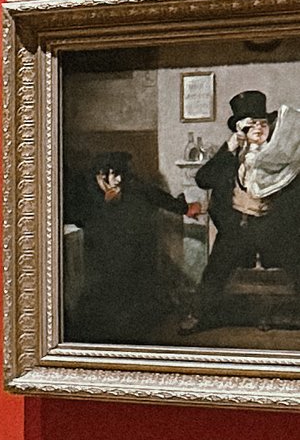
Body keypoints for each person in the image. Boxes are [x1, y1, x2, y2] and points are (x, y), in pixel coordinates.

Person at [182, 89, 300, 329]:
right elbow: (203, 179)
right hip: (237, 225)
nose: (257, 128)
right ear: (239, 131)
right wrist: (228, 148)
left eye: (261, 123)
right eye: (249, 125)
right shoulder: (232, 156)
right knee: (215, 270)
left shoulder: (283, 158)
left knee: (297, 262)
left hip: (271, 225)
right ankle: (198, 315)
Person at [65, 149, 180, 343]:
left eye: (121, 175)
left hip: (129, 252)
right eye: (113, 174)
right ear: (101, 174)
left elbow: (153, 194)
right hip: (100, 252)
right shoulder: (85, 187)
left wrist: (182, 207)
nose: (118, 180)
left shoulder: (129, 185)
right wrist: (105, 203)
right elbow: (78, 217)